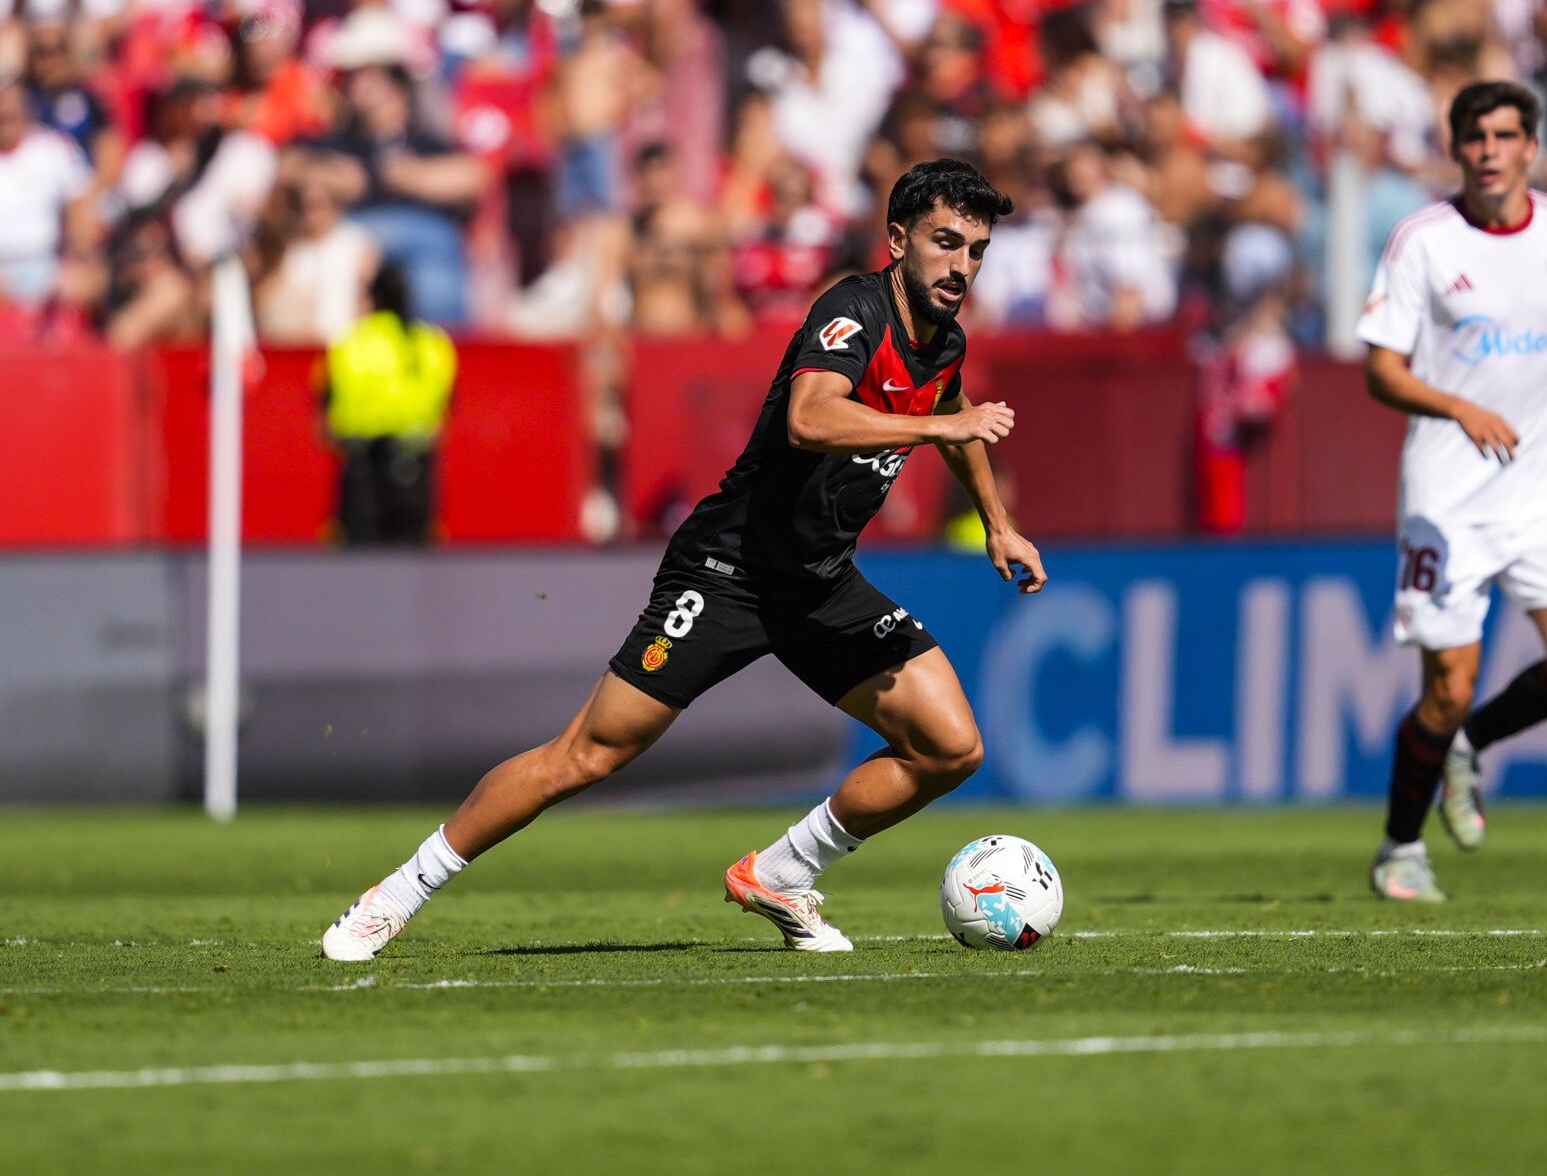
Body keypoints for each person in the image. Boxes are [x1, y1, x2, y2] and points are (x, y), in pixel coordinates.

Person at [322, 158, 1045, 959]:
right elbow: (811, 417)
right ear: (899, 238)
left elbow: (949, 408)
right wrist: (940, 429)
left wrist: (996, 522)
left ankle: (782, 871)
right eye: (947, 243)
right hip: (728, 570)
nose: (962, 266)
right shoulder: (852, 311)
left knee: (951, 746)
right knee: (585, 755)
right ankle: (394, 894)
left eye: (977, 250)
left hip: (819, 582)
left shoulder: (942, 342)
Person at [1357, 80, 1547, 903]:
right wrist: (1457, 406)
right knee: (1445, 687)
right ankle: (1400, 849)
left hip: (1539, 486)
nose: (1488, 150)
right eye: (1474, 136)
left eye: (1504, 135)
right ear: (1456, 149)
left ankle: (1470, 745)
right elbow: (1380, 368)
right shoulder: (1423, 241)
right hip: (1445, 494)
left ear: (1530, 147)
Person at [321, 261, 455, 544]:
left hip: (363, 474)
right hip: (416, 476)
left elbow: (327, 413)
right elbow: (446, 409)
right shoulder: (434, 344)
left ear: (373, 297)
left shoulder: (350, 343)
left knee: (361, 576)